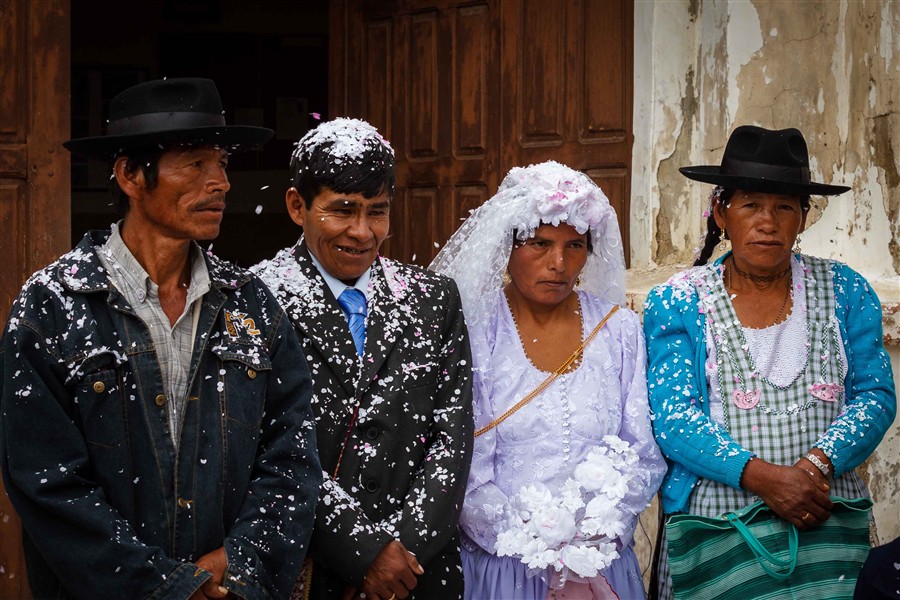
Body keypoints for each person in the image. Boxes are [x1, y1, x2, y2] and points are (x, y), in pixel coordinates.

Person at [0, 77, 322, 600]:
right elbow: (46, 482)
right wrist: (167, 587)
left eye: (222, 163)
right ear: (130, 174)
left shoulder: (251, 305)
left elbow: (291, 456)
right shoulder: (52, 306)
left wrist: (239, 562)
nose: (220, 183)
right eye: (195, 164)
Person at [643, 125, 897, 598]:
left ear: (803, 217)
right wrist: (768, 480)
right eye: (751, 205)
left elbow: (875, 397)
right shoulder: (678, 300)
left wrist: (815, 468)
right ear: (722, 212)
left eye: (784, 207)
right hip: (718, 527)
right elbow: (675, 418)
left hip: (825, 513)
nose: (768, 222)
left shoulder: (846, 289)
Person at [252, 117, 473, 600]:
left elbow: (452, 438)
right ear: (297, 206)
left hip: (419, 576)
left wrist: (403, 554)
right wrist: (363, 554)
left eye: (378, 212)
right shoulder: (255, 301)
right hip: (310, 569)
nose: (362, 231)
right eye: (343, 210)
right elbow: (269, 444)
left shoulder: (434, 298)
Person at [430, 161, 666, 599]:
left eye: (574, 245)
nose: (558, 263)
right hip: (504, 569)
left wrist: (595, 534)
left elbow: (641, 451)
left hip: (598, 566)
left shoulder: (618, 330)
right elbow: (463, 463)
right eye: (540, 243)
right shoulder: (475, 332)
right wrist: (535, 540)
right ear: (509, 245)